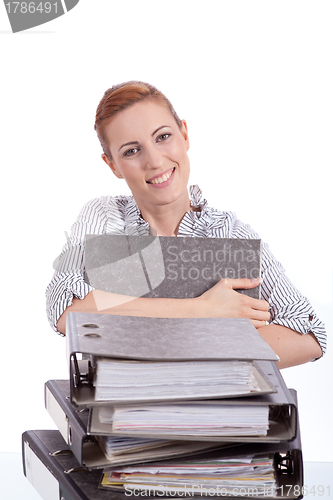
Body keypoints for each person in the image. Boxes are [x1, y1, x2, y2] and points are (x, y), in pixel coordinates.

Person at [46, 81, 326, 369]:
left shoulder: (228, 233)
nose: (154, 161)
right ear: (113, 165)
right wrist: (202, 310)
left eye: (163, 136)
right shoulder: (106, 218)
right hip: (123, 408)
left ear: (184, 134)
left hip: (215, 407)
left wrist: (176, 344)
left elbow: (309, 335)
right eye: (131, 151)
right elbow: (66, 310)